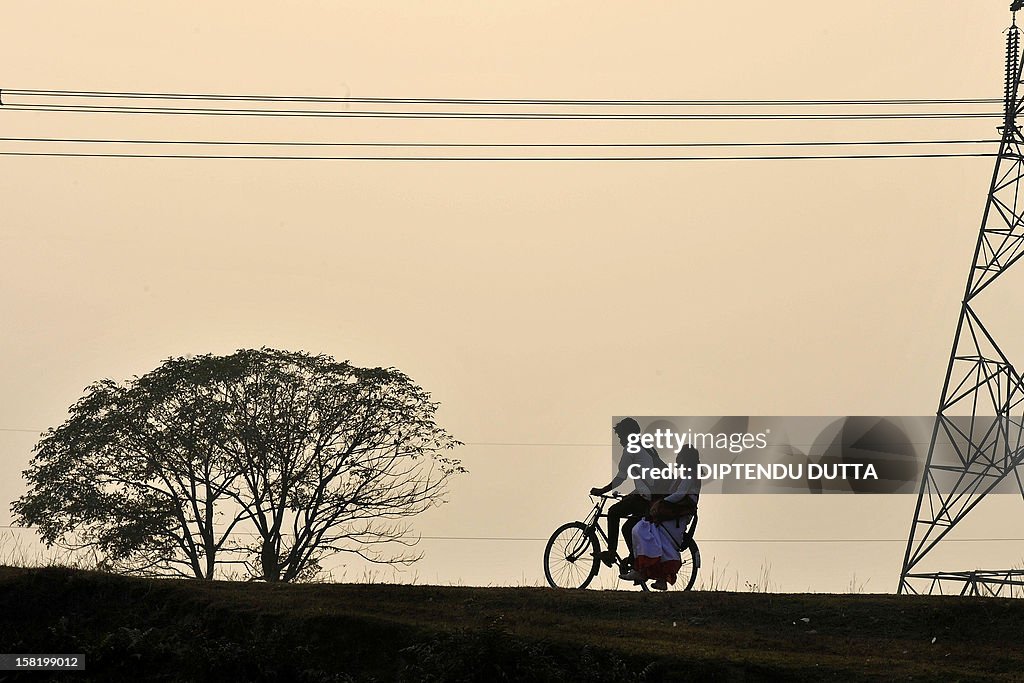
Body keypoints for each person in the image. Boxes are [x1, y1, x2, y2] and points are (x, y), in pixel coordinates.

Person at [590, 417, 669, 570]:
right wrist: (632, 494)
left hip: (646, 498)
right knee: (628, 528)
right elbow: (648, 479)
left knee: (613, 512)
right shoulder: (648, 447)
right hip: (656, 497)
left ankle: (612, 552)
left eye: (620, 436)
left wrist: (601, 490)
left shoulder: (630, 449)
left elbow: (620, 478)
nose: (619, 440)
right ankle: (635, 561)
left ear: (627, 434)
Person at [622, 444, 701, 590]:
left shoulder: (690, 474)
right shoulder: (685, 475)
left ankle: (640, 570)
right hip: (675, 515)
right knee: (660, 544)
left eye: (680, 456)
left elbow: (679, 495)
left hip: (677, 516)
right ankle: (660, 580)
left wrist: (661, 504)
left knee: (641, 529)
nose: (678, 458)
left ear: (685, 458)